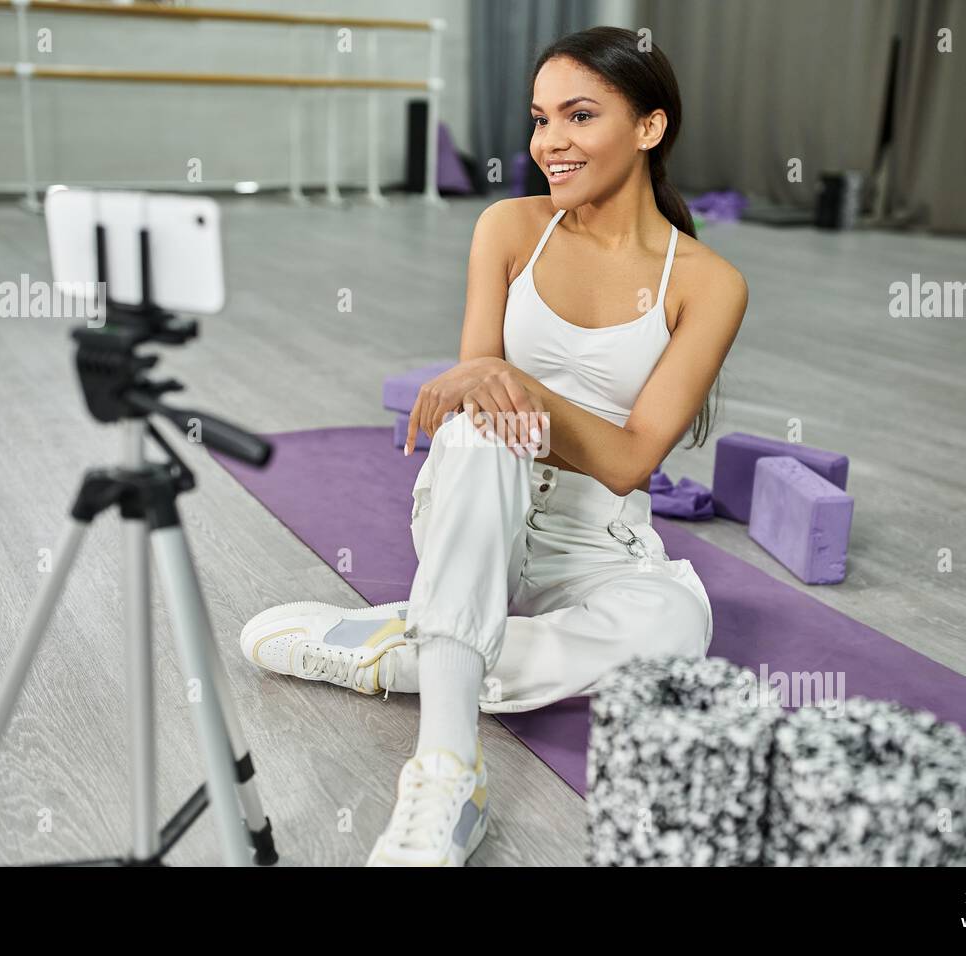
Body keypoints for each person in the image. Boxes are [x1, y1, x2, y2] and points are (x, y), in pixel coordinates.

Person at [240, 26, 748, 866]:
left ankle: (412, 645)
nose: (551, 142)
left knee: (676, 628)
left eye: (579, 116)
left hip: (602, 544)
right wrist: (497, 392)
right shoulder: (510, 228)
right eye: (541, 119)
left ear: (649, 128)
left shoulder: (708, 282)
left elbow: (629, 463)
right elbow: (478, 387)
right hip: (482, 508)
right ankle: (446, 773)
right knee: (490, 427)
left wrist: (520, 388)